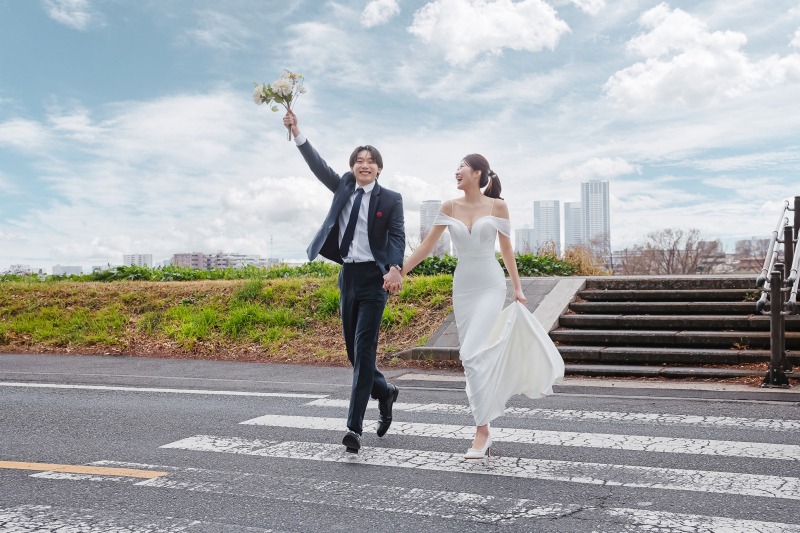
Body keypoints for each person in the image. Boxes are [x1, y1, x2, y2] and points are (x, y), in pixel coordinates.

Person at [398, 154, 565, 460]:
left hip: (490, 284)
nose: (456, 171)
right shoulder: (448, 207)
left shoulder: (497, 206)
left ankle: (482, 431)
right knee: (471, 356)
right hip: (463, 287)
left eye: (461, 166)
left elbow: (505, 248)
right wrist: (400, 270)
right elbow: (426, 246)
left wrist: (517, 287)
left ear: (477, 173)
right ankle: (484, 421)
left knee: (471, 353)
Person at [283, 110, 405, 454]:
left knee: (365, 350)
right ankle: (385, 391)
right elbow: (317, 165)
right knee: (355, 354)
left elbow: (397, 237)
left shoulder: (391, 199)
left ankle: (354, 428)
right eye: (358, 161)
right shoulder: (344, 186)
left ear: (379, 168)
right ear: (352, 168)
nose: (364, 165)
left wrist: (395, 267)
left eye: (370, 161)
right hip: (347, 276)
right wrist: (297, 132)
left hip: (375, 279)